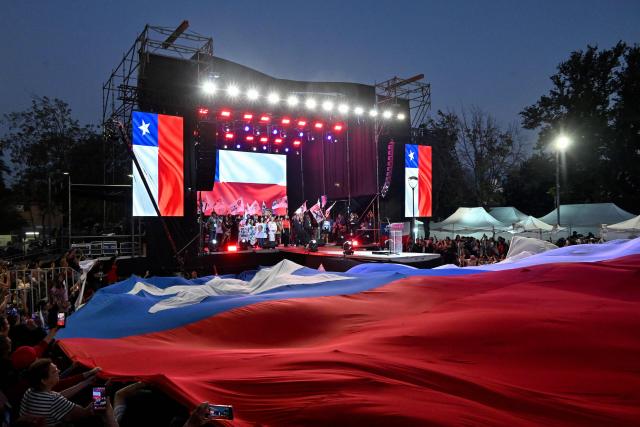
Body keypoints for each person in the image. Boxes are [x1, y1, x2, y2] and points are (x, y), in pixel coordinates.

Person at [20, 359, 95, 426]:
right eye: (54, 371)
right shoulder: (53, 400)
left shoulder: (29, 391)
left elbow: (58, 395)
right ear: (44, 381)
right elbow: (85, 413)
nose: (59, 371)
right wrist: (101, 390)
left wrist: (85, 383)